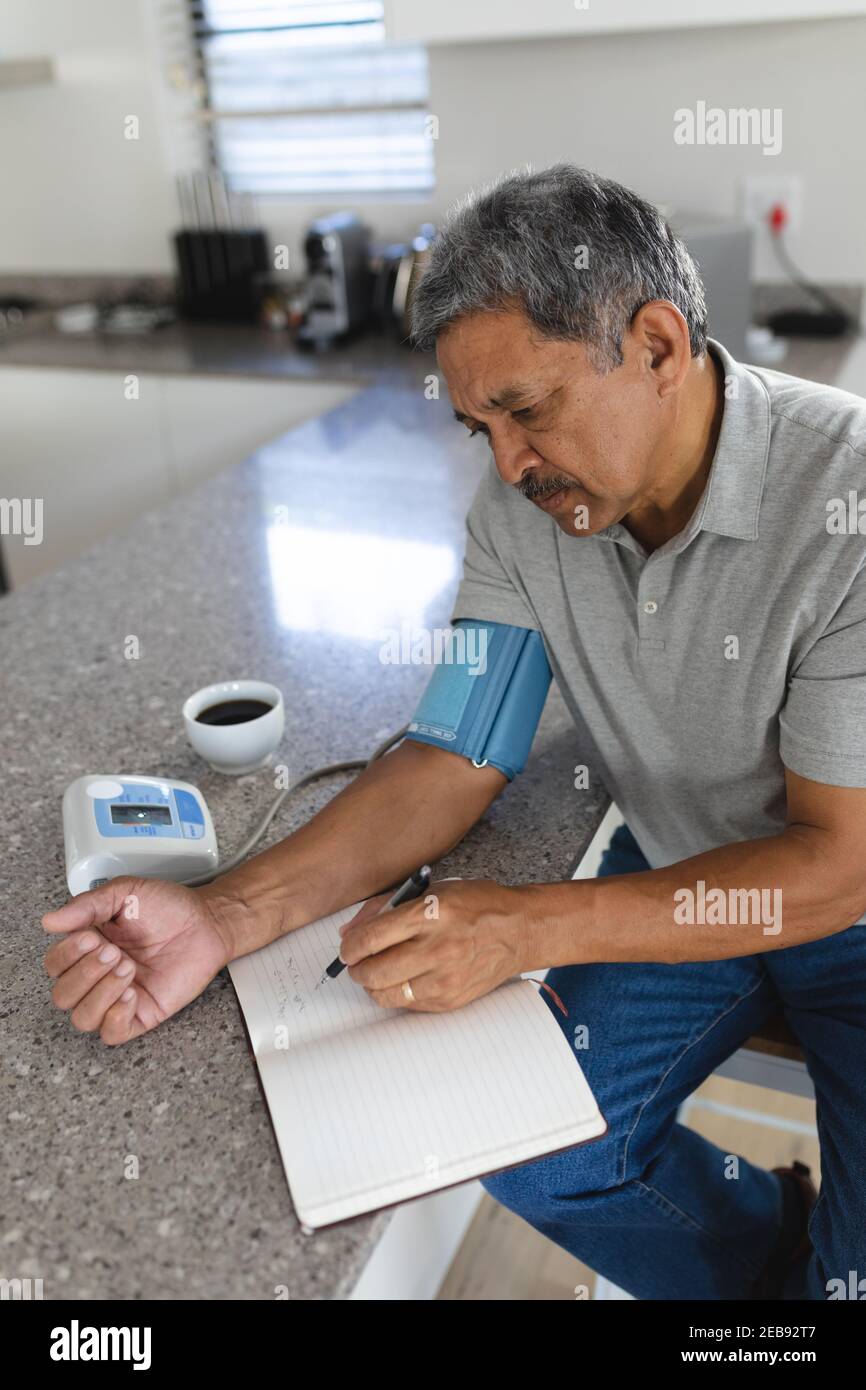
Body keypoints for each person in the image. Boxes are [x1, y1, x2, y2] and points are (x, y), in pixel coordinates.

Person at [44, 166, 866, 1301]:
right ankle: (778, 1245)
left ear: (658, 345)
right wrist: (221, 913)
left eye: (525, 410)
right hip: (679, 866)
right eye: (477, 426)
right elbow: (453, 751)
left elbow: (831, 869)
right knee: (530, 1150)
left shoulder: (846, 501)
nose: (506, 466)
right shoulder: (524, 512)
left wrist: (528, 925)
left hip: (848, 905)